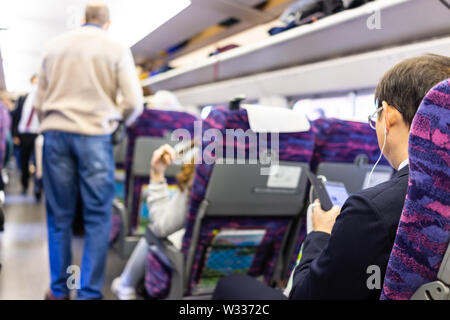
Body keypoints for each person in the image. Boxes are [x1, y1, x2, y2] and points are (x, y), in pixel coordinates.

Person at [213, 54, 450, 300]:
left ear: (388, 115)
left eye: (375, 119)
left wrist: (320, 234)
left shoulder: (371, 211)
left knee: (231, 285)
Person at [34, 2, 143, 300]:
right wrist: (115, 120)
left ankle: (59, 290)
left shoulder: (53, 46)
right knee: (97, 218)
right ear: (107, 23)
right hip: (95, 136)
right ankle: (88, 293)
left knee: (60, 218)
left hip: (56, 135)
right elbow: (135, 102)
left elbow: (38, 101)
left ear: (83, 20)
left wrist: (53, 123)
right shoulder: (116, 48)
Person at [111, 144, 195, 300]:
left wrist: (157, 175)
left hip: (185, 262)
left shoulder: (201, 164)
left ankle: (126, 284)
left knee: (152, 234)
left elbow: (160, 226)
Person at [13, 74, 41, 197]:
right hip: (24, 133)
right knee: (23, 162)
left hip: (37, 133)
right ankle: (24, 185)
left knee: (37, 163)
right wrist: (15, 134)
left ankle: (38, 188)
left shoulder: (43, 98)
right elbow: (17, 117)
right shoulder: (24, 98)